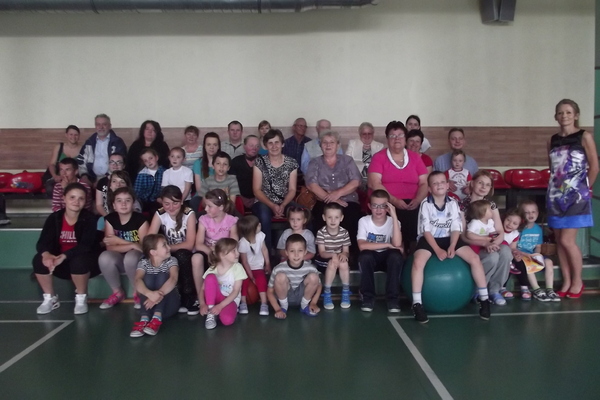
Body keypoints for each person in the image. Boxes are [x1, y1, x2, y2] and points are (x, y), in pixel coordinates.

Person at [410, 171, 491, 323]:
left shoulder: (453, 203)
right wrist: (437, 249)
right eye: (435, 183)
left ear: (448, 185)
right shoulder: (425, 204)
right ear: (429, 188)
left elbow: (455, 227)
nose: (439, 185)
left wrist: (453, 245)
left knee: (474, 258)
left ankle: (484, 299)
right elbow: (426, 231)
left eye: (442, 182)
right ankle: (417, 304)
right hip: (430, 239)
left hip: (450, 238)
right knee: (418, 262)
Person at [547, 99, 598, 298]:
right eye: (560, 113)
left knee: (567, 240)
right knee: (559, 241)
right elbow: (553, 169)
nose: (564, 116)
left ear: (576, 115)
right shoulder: (551, 140)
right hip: (555, 196)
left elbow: (595, 167)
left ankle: (578, 281)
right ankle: (567, 281)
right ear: (555, 117)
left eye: (568, 112)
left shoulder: (584, 136)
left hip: (576, 197)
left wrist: (585, 189)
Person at [33, 183, 101, 315]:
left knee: (79, 261)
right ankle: (50, 298)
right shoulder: (54, 218)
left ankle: (81, 298)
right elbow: (42, 242)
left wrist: (64, 256)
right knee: (38, 260)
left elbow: (86, 246)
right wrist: (46, 255)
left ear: (85, 201)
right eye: (72, 197)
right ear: (64, 198)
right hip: (60, 262)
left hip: (86, 262)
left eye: (81, 198)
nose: (76, 201)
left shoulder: (89, 219)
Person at [368, 120, 428, 251]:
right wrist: (394, 200)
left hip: (414, 202)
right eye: (392, 136)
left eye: (400, 135)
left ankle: (414, 251)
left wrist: (418, 200)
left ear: (405, 138)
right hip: (388, 201)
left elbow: (424, 182)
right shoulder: (379, 157)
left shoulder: (415, 157)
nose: (397, 139)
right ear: (387, 139)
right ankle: (399, 250)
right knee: (396, 212)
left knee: (420, 212)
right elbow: (374, 183)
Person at [459, 170, 512, 306]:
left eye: (487, 185)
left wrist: (494, 243)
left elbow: (500, 231)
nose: (483, 187)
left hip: (491, 241)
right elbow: (464, 236)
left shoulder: (491, 205)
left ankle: (495, 290)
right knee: (492, 257)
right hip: (473, 243)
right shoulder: (462, 205)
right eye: (480, 183)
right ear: (472, 183)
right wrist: (484, 243)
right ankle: (479, 291)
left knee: (506, 252)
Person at [305, 130, 362, 251]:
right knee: (320, 215)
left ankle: (350, 254)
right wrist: (330, 199)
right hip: (323, 200)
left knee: (352, 216)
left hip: (347, 200)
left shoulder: (347, 160)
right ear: (320, 145)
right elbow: (311, 184)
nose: (328, 145)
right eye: (325, 142)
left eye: (332, 142)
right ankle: (322, 254)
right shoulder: (315, 162)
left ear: (338, 145)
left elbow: (356, 181)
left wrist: (337, 194)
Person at [148, 186, 197, 314]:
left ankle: (189, 296)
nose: (171, 207)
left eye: (175, 203)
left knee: (181, 256)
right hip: (168, 252)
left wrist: (166, 249)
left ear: (181, 201)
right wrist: (161, 251)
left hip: (186, 252)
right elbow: (149, 240)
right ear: (162, 203)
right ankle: (163, 296)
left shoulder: (189, 213)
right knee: (151, 256)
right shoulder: (160, 213)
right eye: (167, 204)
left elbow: (189, 244)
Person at [98, 187, 149, 310]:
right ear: (114, 205)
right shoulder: (110, 219)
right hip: (120, 259)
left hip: (138, 261)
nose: (123, 204)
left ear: (133, 203)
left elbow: (143, 248)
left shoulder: (141, 220)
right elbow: (110, 247)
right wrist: (132, 245)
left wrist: (119, 241)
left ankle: (138, 292)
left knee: (131, 256)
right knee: (104, 257)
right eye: (119, 201)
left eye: (127, 200)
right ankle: (117, 292)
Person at [190, 189, 238, 316]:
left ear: (221, 207)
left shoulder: (231, 221)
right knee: (196, 258)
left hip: (223, 253)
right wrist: (211, 253)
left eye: (209, 206)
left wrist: (220, 253)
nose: (206, 209)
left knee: (233, 258)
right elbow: (199, 243)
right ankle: (200, 298)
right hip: (208, 252)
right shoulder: (203, 219)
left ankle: (227, 295)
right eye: (205, 205)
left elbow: (233, 243)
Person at [357, 189, 404, 313]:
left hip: (387, 258)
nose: (378, 210)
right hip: (371, 258)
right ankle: (367, 298)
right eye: (375, 206)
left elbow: (397, 244)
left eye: (382, 206)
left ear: (388, 207)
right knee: (365, 256)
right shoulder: (364, 221)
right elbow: (362, 246)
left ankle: (393, 299)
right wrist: (387, 244)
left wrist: (394, 216)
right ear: (369, 206)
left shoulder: (394, 222)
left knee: (396, 256)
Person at [253, 129, 299, 252]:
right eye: (270, 143)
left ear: (282, 144)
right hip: (263, 201)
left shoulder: (291, 162)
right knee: (264, 216)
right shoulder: (259, 162)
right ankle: (267, 254)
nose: (274, 146)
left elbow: (292, 189)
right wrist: (273, 206)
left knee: (302, 214)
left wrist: (282, 205)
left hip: (285, 200)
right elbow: (256, 190)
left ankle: (297, 251)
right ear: (265, 146)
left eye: (277, 142)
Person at [129, 234, 180, 338]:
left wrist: (156, 297)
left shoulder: (172, 260)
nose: (169, 247)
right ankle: (144, 319)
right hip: (149, 307)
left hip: (168, 307)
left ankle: (157, 318)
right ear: (153, 252)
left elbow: (173, 279)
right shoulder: (144, 262)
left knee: (162, 276)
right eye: (164, 245)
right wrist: (150, 294)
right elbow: (137, 280)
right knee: (146, 278)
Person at [267, 234, 322, 319]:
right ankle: (284, 307)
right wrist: (277, 309)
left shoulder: (310, 268)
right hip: (285, 296)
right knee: (280, 276)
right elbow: (269, 291)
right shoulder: (278, 268)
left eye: (300, 250)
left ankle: (304, 306)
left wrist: (313, 303)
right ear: (286, 252)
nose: (296, 255)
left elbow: (319, 286)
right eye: (292, 251)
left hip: (302, 297)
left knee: (314, 277)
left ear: (305, 252)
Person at [514, 200, 559, 302]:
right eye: (527, 212)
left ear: (537, 213)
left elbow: (538, 246)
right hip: (521, 255)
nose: (531, 214)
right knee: (527, 263)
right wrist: (526, 255)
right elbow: (514, 246)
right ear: (521, 214)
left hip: (532, 254)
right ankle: (536, 289)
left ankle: (549, 289)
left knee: (549, 262)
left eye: (533, 212)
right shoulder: (519, 229)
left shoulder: (538, 229)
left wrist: (537, 254)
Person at [200, 238, 248, 329]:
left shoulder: (238, 267)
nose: (238, 253)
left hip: (230, 300)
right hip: (215, 299)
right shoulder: (213, 268)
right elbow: (202, 289)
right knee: (210, 277)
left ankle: (218, 311)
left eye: (237, 250)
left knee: (227, 321)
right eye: (233, 251)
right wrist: (202, 304)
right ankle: (211, 312)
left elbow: (235, 291)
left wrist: (220, 306)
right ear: (222, 255)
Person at [314, 203, 351, 310]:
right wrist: (333, 255)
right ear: (324, 217)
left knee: (344, 263)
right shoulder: (321, 232)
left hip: (338, 258)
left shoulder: (344, 232)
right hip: (324, 259)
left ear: (341, 218)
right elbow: (322, 252)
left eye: (336, 217)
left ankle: (345, 292)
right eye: (330, 217)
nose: (333, 220)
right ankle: (327, 293)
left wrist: (343, 254)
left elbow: (346, 252)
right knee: (332, 263)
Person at [77, 114, 127, 184]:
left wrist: (103, 180)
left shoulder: (117, 142)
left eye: (104, 124)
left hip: (111, 179)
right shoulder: (89, 142)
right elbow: (81, 161)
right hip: (90, 179)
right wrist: (84, 176)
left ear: (110, 126)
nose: (101, 127)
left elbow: (119, 164)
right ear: (95, 126)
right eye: (98, 124)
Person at [237, 215, 271, 316]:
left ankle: (264, 303)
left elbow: (264, 249)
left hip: (259, 267)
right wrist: (251, 277)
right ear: (251, 230)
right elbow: (244, 262)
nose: (260, 225)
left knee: (261, 280)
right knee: (244, 282)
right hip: (247, 269)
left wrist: (267, 263)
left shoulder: (260, 235)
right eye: (257, 225)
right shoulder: (242, 243)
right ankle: (243, 302)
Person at [44, 125, 82, 195]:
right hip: (59, 177)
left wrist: (72, 178)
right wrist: (55, 176)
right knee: (50, 188)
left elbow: (83, 167)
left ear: (79, 136)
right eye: (71, 134)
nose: (73, 137)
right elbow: (52, 164)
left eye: (76, 135)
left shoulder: (83, 149)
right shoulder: (59, 147)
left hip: (74, 178)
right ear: (66, 135)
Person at [498, 208, 527, 300]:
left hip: (509, 254)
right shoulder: (498, 229)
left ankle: (524, 287)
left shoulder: (515, 234)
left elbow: (513, 247)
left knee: (519, 262)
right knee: (508, 264)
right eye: (508, 220)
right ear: (504, 218)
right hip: (499, 255)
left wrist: (516, 253)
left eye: (514, 223)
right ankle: (502, 288)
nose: (510, 224)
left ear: (519, 225)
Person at [191, 132, 221, 213]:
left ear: (218, 147)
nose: (212, 147)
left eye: (215, 145)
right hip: (202, 196)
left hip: (219, 195)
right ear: (204, 146)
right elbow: (199, 189)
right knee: (195, 202)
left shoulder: (222, 162)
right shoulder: (198, 163)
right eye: (208, 144)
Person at [230, 135, 260, 209]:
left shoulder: (263, 161)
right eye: (251, 145)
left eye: (257, 146)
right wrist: (241, 198)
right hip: (238, 199)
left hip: (259, 200)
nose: (254, 148)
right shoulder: (236, 162)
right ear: (244, 146)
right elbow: (231, 183)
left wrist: (257, 198)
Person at [134, 148, 166, 214]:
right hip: (145, 202)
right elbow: (137, 192)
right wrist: (153, 199)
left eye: (150, 158)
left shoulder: (165, 172)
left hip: (161, 201)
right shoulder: (141, 174)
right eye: (145, 160)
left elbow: (168, 189)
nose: (149, 162)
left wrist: (162, 198)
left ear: (156, 158)